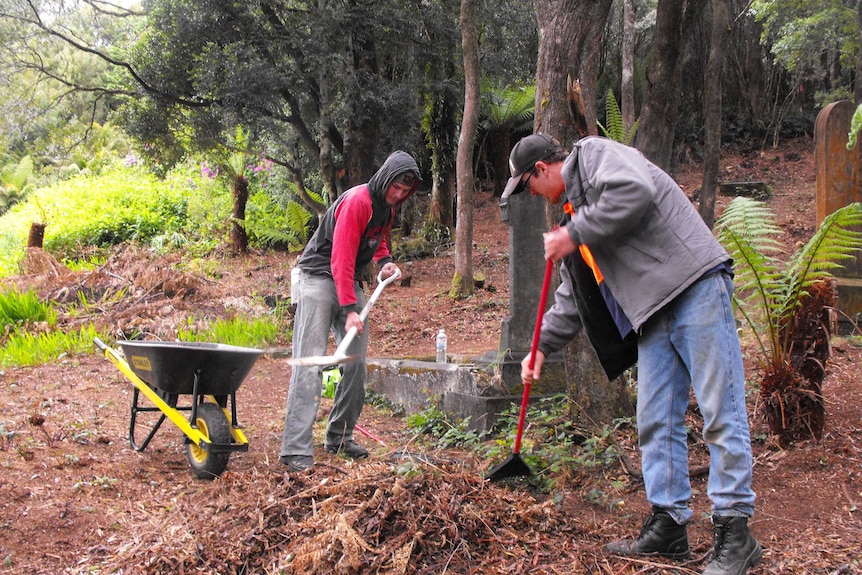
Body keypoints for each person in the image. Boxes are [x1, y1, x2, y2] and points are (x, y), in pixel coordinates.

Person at [502, 134, 761, 575]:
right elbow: (571, 295)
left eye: (527, 184)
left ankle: (735, 531)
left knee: (721, 410)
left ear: (543, 169)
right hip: (653, 312)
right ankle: (669, 524)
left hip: (694, 285)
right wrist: (540, 346)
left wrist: (573, 233)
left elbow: (636, 191)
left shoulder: (596, 155)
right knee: (655, 418)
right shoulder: (575, 213)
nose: (531, 194)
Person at [280, 151, 421, 473]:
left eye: (404, 191)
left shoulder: (386, 210)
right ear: (385, 177)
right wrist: (349, 308)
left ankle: (340, 438)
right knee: (310, 364)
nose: (398, 195)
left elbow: (377, 242)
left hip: (348, 281)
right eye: (395, 187)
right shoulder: (358, 201)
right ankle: (295, 450)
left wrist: (385, 262)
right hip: (317, 277)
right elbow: (340, 257)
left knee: (355, 364)